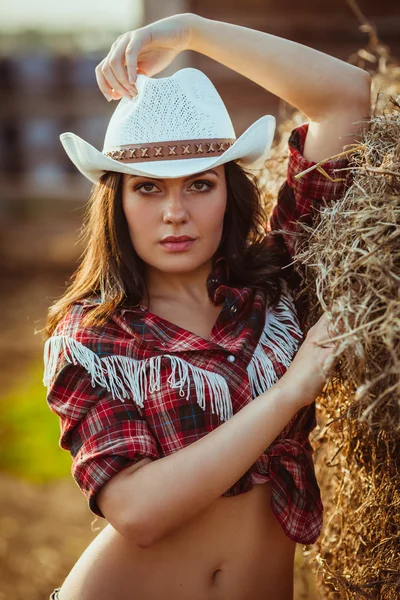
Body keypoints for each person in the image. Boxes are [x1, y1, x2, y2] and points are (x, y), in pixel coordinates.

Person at [43, 12, 371, 600]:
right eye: (148, 187)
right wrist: (291, 391)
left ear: (229, 192)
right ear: (116, 202)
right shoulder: (96, 339)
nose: (175, 212)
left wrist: (189, 31)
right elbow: (139, 511)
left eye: (199, 183)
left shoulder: (278, 287)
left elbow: (347, 98)